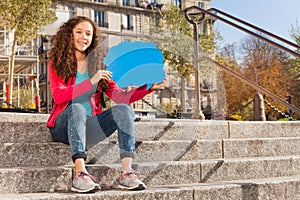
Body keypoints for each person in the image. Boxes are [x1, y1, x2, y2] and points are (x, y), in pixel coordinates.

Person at [46, 16, 166, 193]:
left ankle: (127, 173)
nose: (83, 37)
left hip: (90, 127)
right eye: (79, 32)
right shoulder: (57, 64)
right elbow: (59, 96)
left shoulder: (98, 67)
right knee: (77, 107)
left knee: (123, 109)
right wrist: (91, 82)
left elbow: (121, 96)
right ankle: (80, 174)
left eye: (88, 33)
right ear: (69, 35)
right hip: (62, 126)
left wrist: (148, 87)